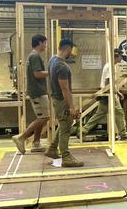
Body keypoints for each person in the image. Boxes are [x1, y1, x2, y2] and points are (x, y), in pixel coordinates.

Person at [71, 49, 127, 140]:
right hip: (108, 93)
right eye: (121, 56)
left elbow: (110, 82)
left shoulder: (109, 65)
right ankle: (123, 134)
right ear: (117, 56)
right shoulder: (110, 67)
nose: (122, 58)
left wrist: (117, 92)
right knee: (119, 113)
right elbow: (108, 82)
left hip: (106, 93)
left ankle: (83, 130)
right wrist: (111, 94)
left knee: (99, 114)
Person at [45, 39, 84, 167]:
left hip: (56, 98)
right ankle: (66, 157)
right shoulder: (62, 66)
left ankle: (52, 148)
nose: (71, 53)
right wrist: (72, 107)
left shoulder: (52, 60)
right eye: (71, 51)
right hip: (62, 100)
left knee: (63, 124)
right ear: (67, 49)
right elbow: (65, 89)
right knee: (66, 127)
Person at [12, 34, 50, 154]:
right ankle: (21, 137)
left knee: (41, 117)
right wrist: (52, 71)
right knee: (45, 117)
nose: (45, 45)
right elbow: (37, 74)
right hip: (38, 91)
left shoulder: (33, 56)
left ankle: (36, 143)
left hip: (38, 90)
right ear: (40, 43)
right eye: (45, 43)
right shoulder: (34, 56)